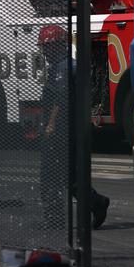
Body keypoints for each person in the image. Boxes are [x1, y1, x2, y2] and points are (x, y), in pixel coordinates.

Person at [38, 24, 110, 231]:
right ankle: (95, 202)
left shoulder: (63, 68)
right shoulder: (68, 66)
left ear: (58, 46)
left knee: (51, 176)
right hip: (71, 130)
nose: (44, 52)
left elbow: (61, 99)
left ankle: (55, 220)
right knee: (69, 176)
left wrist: (50, 125)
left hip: (62, 131)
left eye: (47, 47)